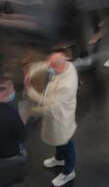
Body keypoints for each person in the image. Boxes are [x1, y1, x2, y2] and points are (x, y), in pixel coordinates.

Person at [24, 50, 78, 187]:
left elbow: (49, 106)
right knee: (57, 139)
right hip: (55, 114)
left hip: (60, 118)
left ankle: (69, 171)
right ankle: (59, 158)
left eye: (52, 67)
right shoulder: (65, 65)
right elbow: (46, 65)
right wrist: (31, 72)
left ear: (59, 68)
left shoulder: (66, 85)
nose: (49, 69)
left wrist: (30, 92)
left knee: (66, 142)